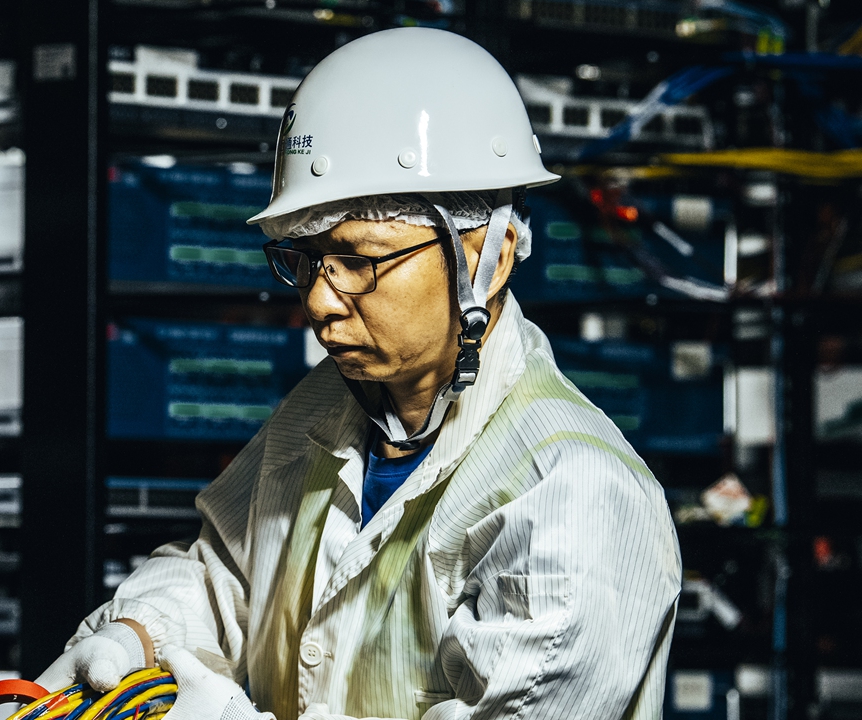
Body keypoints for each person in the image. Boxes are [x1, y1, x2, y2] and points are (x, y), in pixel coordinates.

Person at [38, 27, 682, 720]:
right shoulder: (325, 408)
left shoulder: (572, 496)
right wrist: (140, 636)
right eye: (306, 258)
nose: (318, 299)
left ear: (488, 259)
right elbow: (225, 577)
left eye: (360, 260)